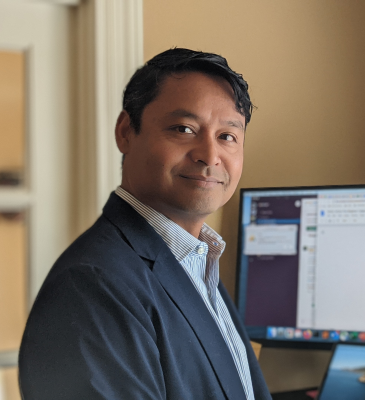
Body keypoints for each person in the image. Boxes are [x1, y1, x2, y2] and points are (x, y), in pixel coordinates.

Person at [19, 48, 272, 400]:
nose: (210, 155)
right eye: (183, 129)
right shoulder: (93, 285)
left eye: (227, 136)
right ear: (126, 131)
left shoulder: (197, 260)